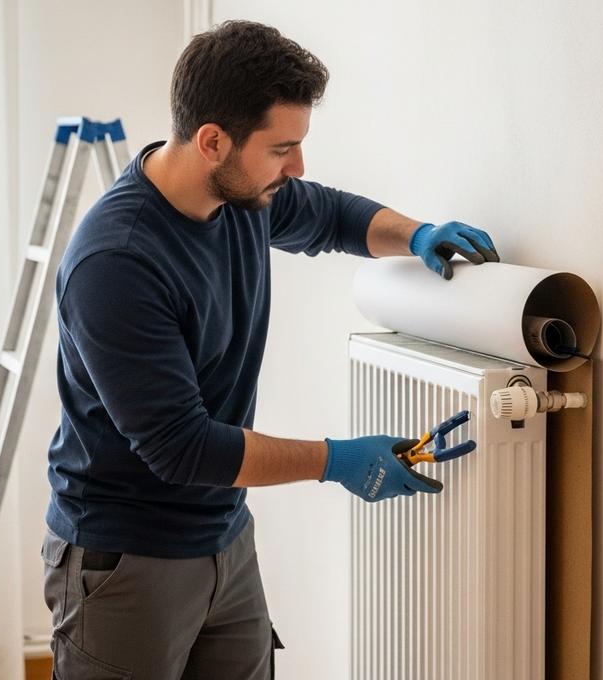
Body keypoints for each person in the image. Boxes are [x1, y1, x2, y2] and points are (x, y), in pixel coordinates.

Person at [39, 19, 500, 680]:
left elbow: (331, 215)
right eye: (283, 148)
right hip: (124, 558)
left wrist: (419, 234)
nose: (298, 166)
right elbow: (182, 448)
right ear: (212, 141)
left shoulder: (244, 199)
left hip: (224, 538)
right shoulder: (118, 261)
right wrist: (337, 460)